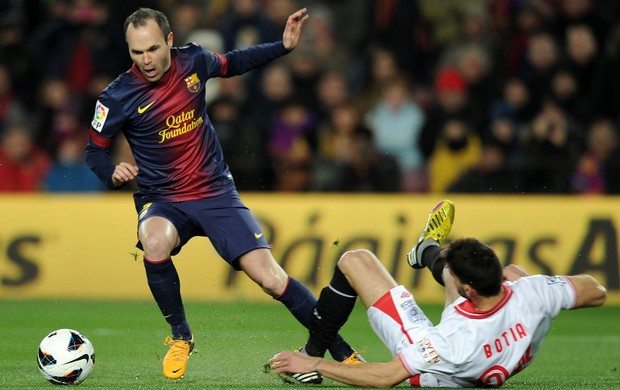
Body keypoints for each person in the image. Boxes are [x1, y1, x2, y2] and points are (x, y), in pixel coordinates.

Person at [84, 7, 362, 380]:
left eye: (152, 49)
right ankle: (181, 337)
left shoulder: (194, 60)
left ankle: (342, 353)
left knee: (271, 279)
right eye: (136, 53)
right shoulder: (117, 96)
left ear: (168, 40)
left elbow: (234, 62)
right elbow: (93, 150)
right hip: (163, 198)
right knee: (153, 242)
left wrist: (282, 46)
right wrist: (111, 171)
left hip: (215, 192)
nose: (146, 60)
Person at [267, 200, 607, 387]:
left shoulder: (451, 341)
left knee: (356, 259)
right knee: (516, 271)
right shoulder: (531, 293)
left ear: (468, 291)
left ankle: (309, 357)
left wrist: (314, 362)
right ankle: (425, 249)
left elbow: (385, 377)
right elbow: (597, 292)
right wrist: (543, 293)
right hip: (494, 349)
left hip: (438, 370)